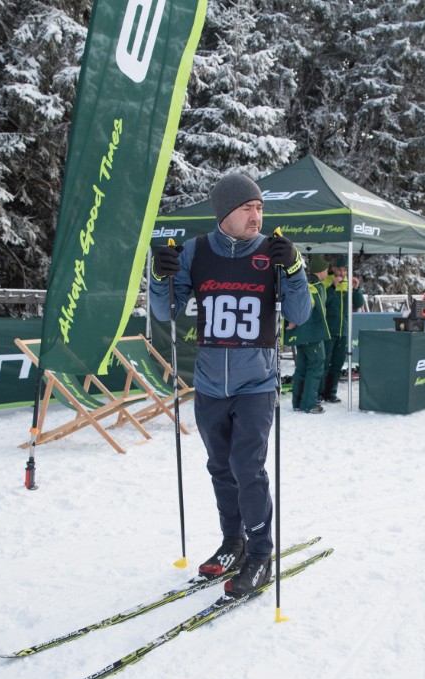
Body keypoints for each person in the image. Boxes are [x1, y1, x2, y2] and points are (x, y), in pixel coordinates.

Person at [149, 172, 312, 597]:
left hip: (256, 382)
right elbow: (166, 311)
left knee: (247, 467)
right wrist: (159, 277)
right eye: (247, 208)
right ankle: (233, 542)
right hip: (209, 384)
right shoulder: (195, 251)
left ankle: (260, 553)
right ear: (225, 212)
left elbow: (300, 313)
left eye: (260, 208)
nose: (256, 216)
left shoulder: (273, 252)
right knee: (220, 467)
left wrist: (295, 269)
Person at [286, 253, 332, 414]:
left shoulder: (305, 282)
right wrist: (295, 320)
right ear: (322, 270)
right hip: (312, 333)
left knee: (302, 367)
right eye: (326, 270)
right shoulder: (315, 286)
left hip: (301, 334)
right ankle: (310, 404)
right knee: (316, 366)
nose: (327, 273)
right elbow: (306, 304)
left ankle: (298, 402)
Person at [320, 257, 365, 403]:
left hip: (343, 330)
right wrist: (333, 286)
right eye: (340, 270)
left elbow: (358, 303)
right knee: (325, 363)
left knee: (338, 364)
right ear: (333, 268)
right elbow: (323, 302)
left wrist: (356, 289)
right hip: (328, 330)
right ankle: (320, 393)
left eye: (345, 270)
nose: (342, 273)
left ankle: (331, 393)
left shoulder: (348, 284)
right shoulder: (326, 281)